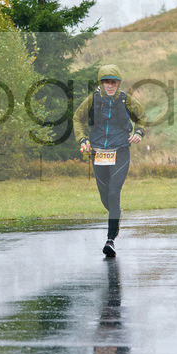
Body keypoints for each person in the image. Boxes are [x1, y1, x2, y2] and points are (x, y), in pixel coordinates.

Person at [73, 64, 148, 258]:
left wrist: (139, 132)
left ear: (118, 83)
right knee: (105, 197)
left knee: (114, 192)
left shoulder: (125, 99)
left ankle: (110, 240)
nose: (110, 85)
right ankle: (116, 214)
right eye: (106, 81)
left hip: (120, 151)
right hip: (98, 152)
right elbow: (77, 118)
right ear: (101, 82)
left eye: (113, 82)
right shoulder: (93, 99)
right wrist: (82, 139)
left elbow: (142, 117)